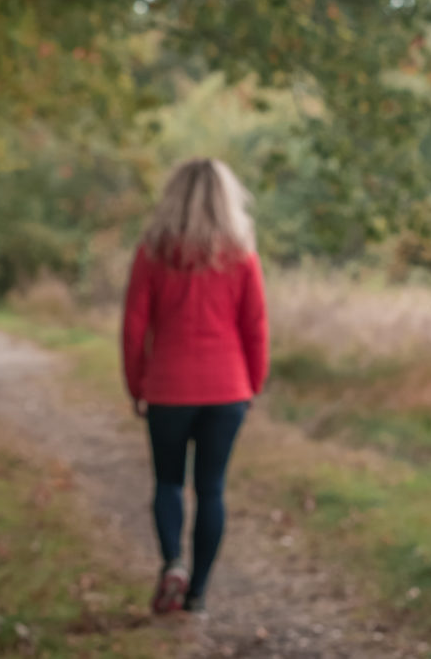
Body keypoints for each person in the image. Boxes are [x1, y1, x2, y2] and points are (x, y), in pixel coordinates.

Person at [121, 157, 269, 616]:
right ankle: (198, 594)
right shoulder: (241, 254)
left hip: (167, 388)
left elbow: (133, 326)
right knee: (212, 489)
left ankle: (173, 564)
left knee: (168, 483)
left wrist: (136, 385)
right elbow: (256, 327)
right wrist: (253, 386)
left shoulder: (153, 251)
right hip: (227, 390)